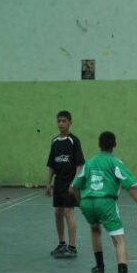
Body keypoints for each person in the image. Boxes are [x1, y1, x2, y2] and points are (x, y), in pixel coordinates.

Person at [69, 131, 137, 273]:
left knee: (95, 229)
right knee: (119, 239)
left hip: (87, 202)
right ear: (114, 145)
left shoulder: (90, 162)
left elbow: (74, 187)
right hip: (105, 202)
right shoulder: (115, 162)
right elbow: (129, 185)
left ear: (99, 144)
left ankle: (99, 267)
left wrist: (81, 203)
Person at [45, 110, 85, 258]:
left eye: (64, 121)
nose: (61, 124)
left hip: (70, 182)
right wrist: (48, 183)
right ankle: (62, 244)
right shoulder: (55, 142)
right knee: (58, 213)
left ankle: (72, 247)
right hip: (59, 182)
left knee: (69, 212)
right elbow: (51, 165)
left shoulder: (74, 141)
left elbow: (79, 165)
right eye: (59, 121)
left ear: (69, 123)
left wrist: (74, 184)